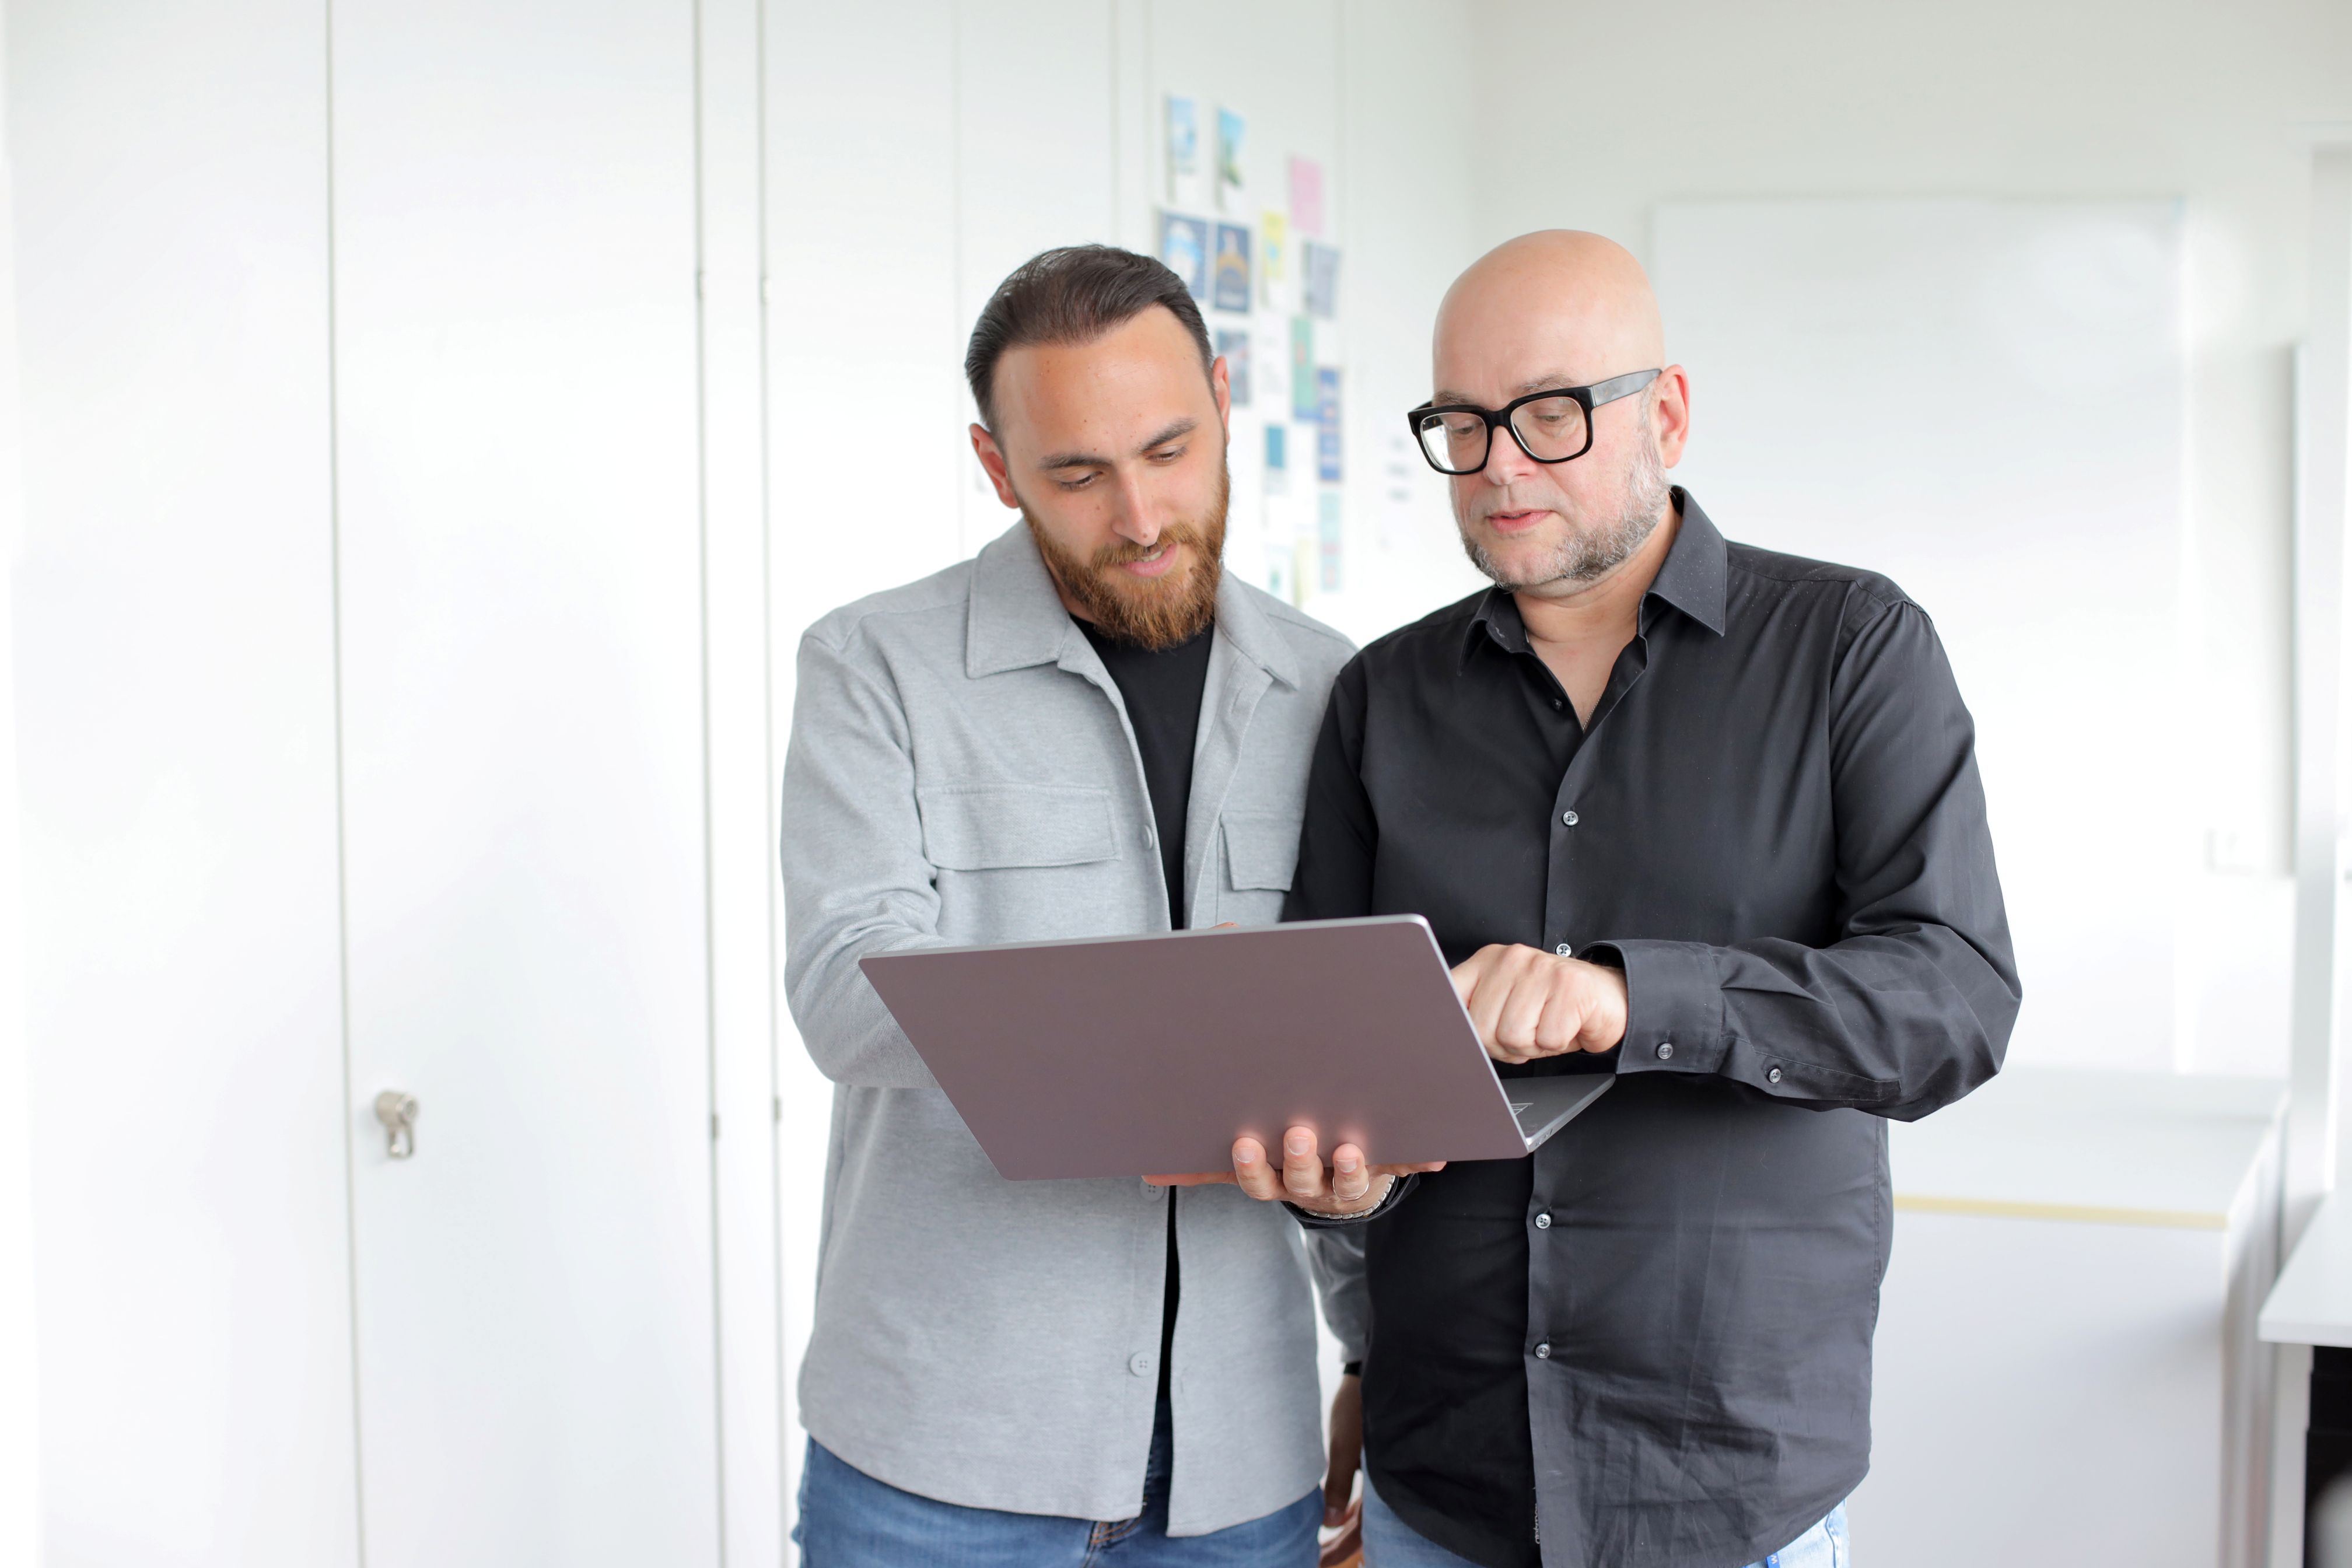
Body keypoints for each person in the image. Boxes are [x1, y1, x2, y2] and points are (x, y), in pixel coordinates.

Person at [1205, 230, 2022, 1567]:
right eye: (1461, 424)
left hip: (1729, 1488)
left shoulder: (1852, 649)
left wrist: (1632, 996)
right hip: (1442, 1488)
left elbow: (1954, 1005)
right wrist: (1334, 1183)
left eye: (1549, 412)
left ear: (1670, 413)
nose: (1502, 463)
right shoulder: (1382, 702)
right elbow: (1345, 1078)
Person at [778, 243, 1421, 1567]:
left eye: (1170, 450)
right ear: (997, 466)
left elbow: (1357, 1064)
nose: (1138, 514)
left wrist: (1374, 1353)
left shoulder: (1334, 687)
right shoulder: (874, 666)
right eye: (1076, 473)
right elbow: (849, 993)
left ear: (1224, 403)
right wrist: (1181, 1034)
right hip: (939, 1456)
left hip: (1241, 1464)